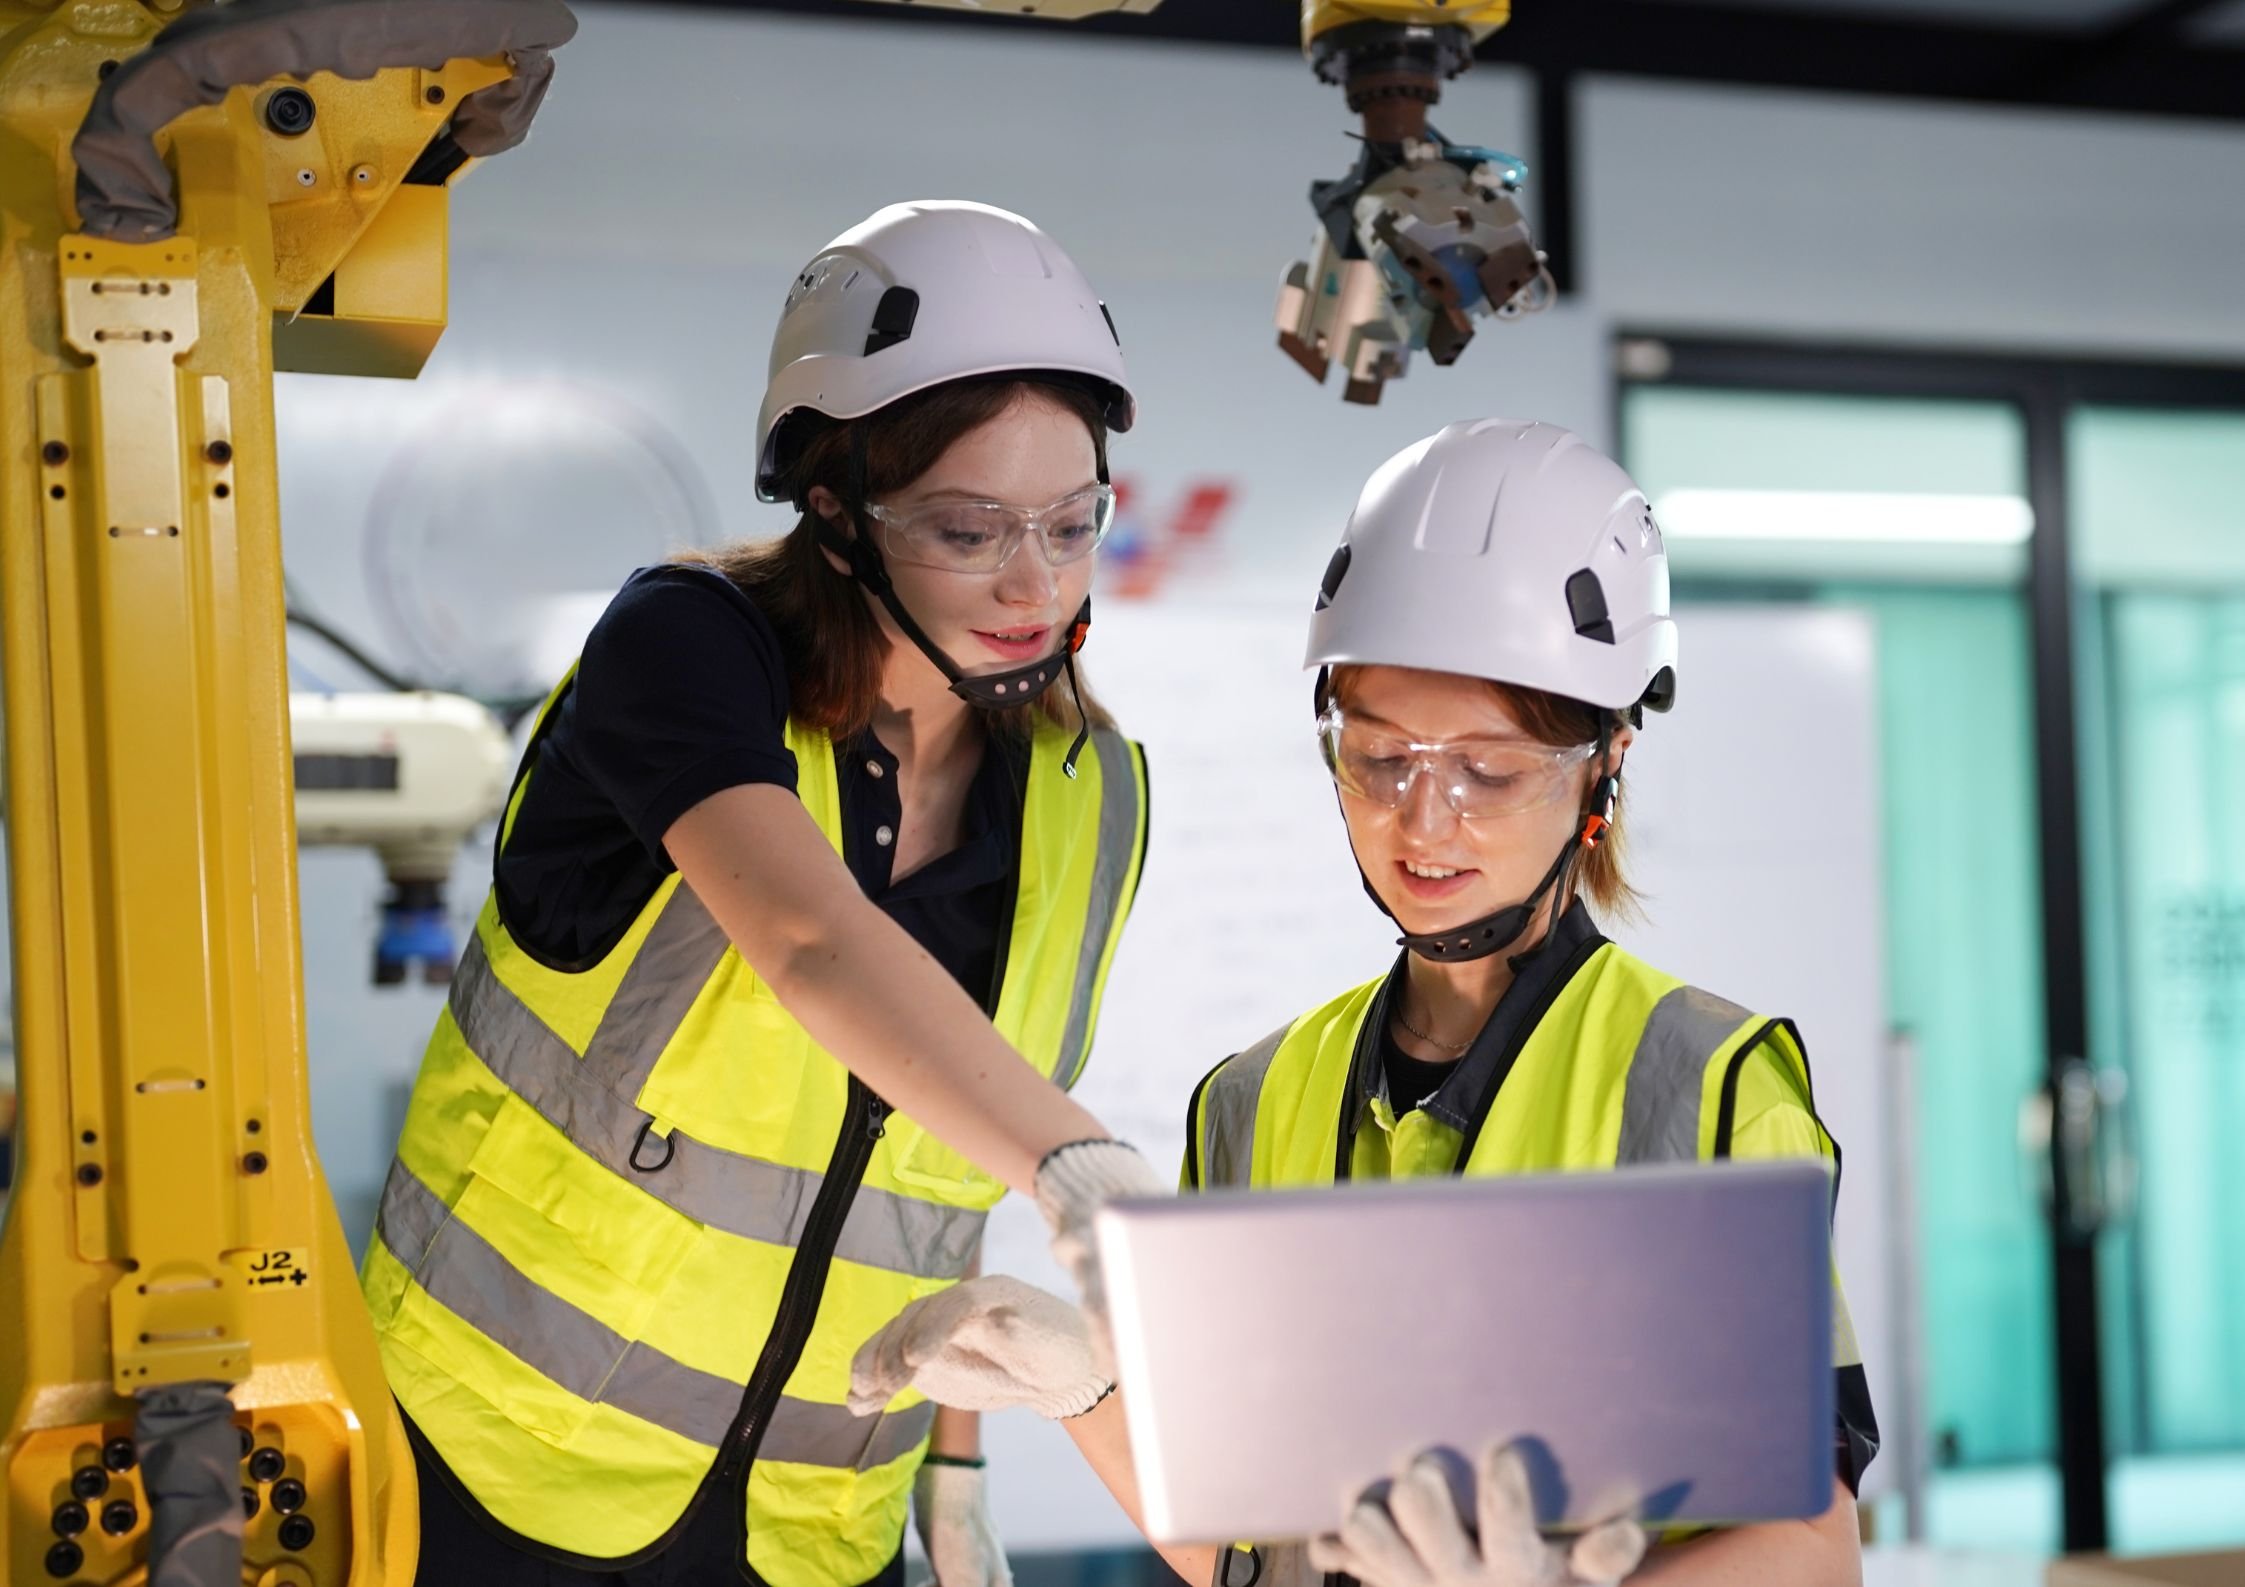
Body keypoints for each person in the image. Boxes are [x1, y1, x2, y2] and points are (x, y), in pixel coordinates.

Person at [852, 420, 1879, 1587]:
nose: (1422, 822)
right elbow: (1241, 1552)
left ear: (1605, 760)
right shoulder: (1252, 1099)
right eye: (1379, 759)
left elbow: (1814, 1545)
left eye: (1486, 772)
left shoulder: (1704, 1081)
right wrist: (1089, 1394)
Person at [360, 200, 1171, 1587]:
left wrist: (957, 1471)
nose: (1034, 580)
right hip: (495, 1459)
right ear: (835, 510)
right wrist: (1079, 1163)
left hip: (812, 1521)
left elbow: (947, 1146)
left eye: (1071, 519)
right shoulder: (687, 648)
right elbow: (807, 939)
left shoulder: (1092, 789)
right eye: (970, 528)